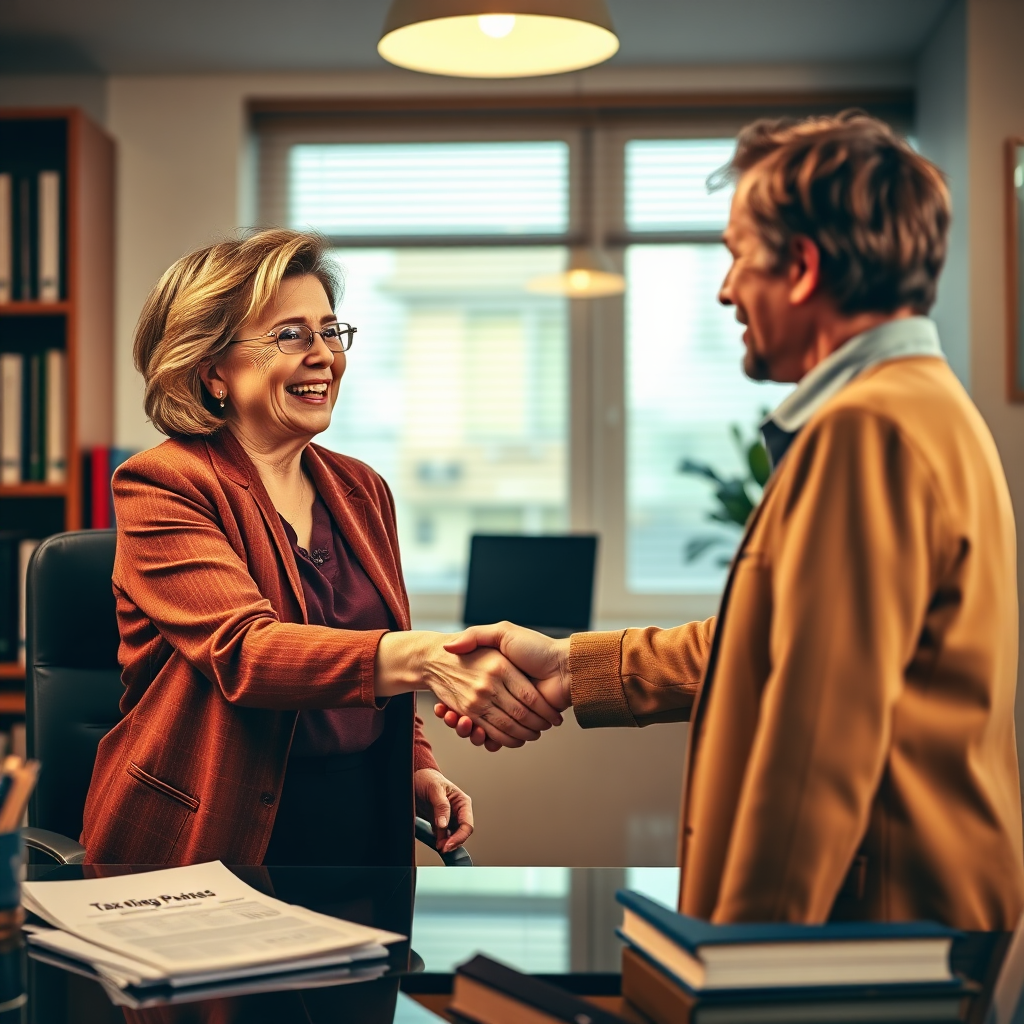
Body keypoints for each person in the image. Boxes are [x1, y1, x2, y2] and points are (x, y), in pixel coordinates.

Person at [438, 112, 1024, 928]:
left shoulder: (867, 433)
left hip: (874, 936)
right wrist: (574, 666)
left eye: (735, 255)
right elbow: (785, 642)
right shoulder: (925, 407)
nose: (725, 289)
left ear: (803, 267)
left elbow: (814, 752)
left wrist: (736, 973)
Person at [81, 229, 562, 866]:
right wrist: (430, 657)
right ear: (212, 370)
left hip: (360, 823)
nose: (324, 356)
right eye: (291, 334)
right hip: (208, 831)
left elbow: (377, 645)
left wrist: (416, 765)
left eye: (330, 331)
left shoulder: (362, 488)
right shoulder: (164, 482)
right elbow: (247, 651)